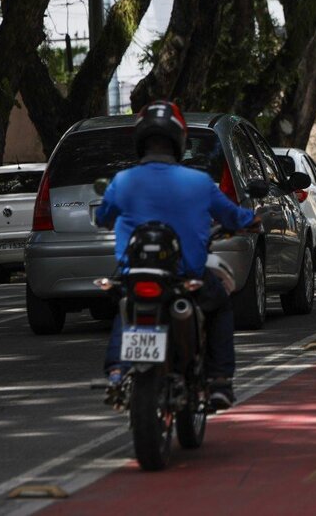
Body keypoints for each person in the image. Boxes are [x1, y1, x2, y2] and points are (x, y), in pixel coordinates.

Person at [96, 100, 259, 410]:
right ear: (179, 141)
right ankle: (220, 381)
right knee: (221, 305)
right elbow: (234, 217)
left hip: (135, 274)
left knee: (125, 306)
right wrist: (251, 220)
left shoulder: (122, 181)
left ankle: (117, 371)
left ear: (140, 142)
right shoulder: (200, 182)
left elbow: (104, 216)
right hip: (187, 277)